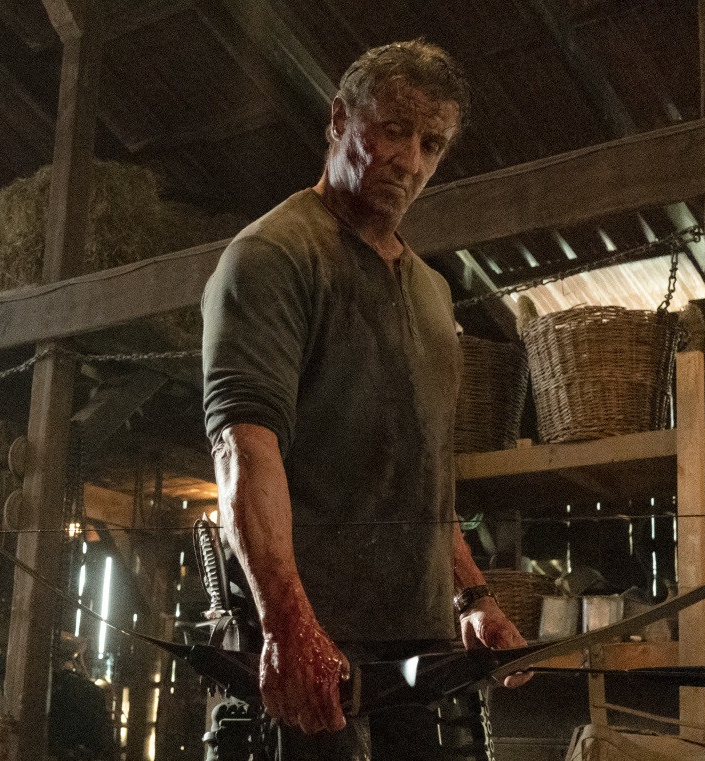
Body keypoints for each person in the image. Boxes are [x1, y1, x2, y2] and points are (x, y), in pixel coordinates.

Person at [201, 39, 528, 759]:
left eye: (431, 144)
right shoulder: (273, 256)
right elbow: (243, 450)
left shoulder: (433, 293)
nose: (410, 161)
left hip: (419, 645)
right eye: (392, 131)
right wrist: (286, 624)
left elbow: (419, 475)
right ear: (339, 120)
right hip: (316, 637)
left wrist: (472, 597)